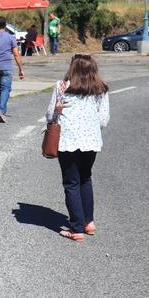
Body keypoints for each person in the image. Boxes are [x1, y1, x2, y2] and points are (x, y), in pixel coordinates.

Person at [46, 54, 109, 241]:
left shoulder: (62, 86)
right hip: (91, 141)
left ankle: (76, 229)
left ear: (72, 68)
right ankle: (88, 222)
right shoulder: (100, 89)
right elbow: (104, 120)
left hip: (68, 141)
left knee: (71, 183)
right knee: (85, 179)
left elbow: (51, 114)